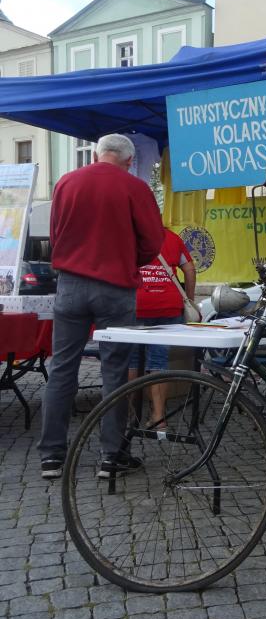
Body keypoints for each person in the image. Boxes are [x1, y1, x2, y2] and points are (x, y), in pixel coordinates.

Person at [38, 133, 164, 479]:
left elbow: (56, 233)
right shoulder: (135, 188)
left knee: (62, 368)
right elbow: (153, 241)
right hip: (115, 287)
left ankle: (51, 456)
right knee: (114, 371)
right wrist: (127, 260)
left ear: (97, 154)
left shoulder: (66, 182)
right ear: (128, 160)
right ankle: (111, 457)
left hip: (71, 285)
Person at [128, 227, 196, 429]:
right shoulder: (173, 238)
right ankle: (159, 418)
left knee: (131, 360)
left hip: (136, 304)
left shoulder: (129, 236)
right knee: (159, 360)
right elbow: (190, 269)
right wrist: (189, 299)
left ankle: (128, 415)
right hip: (168, 306)